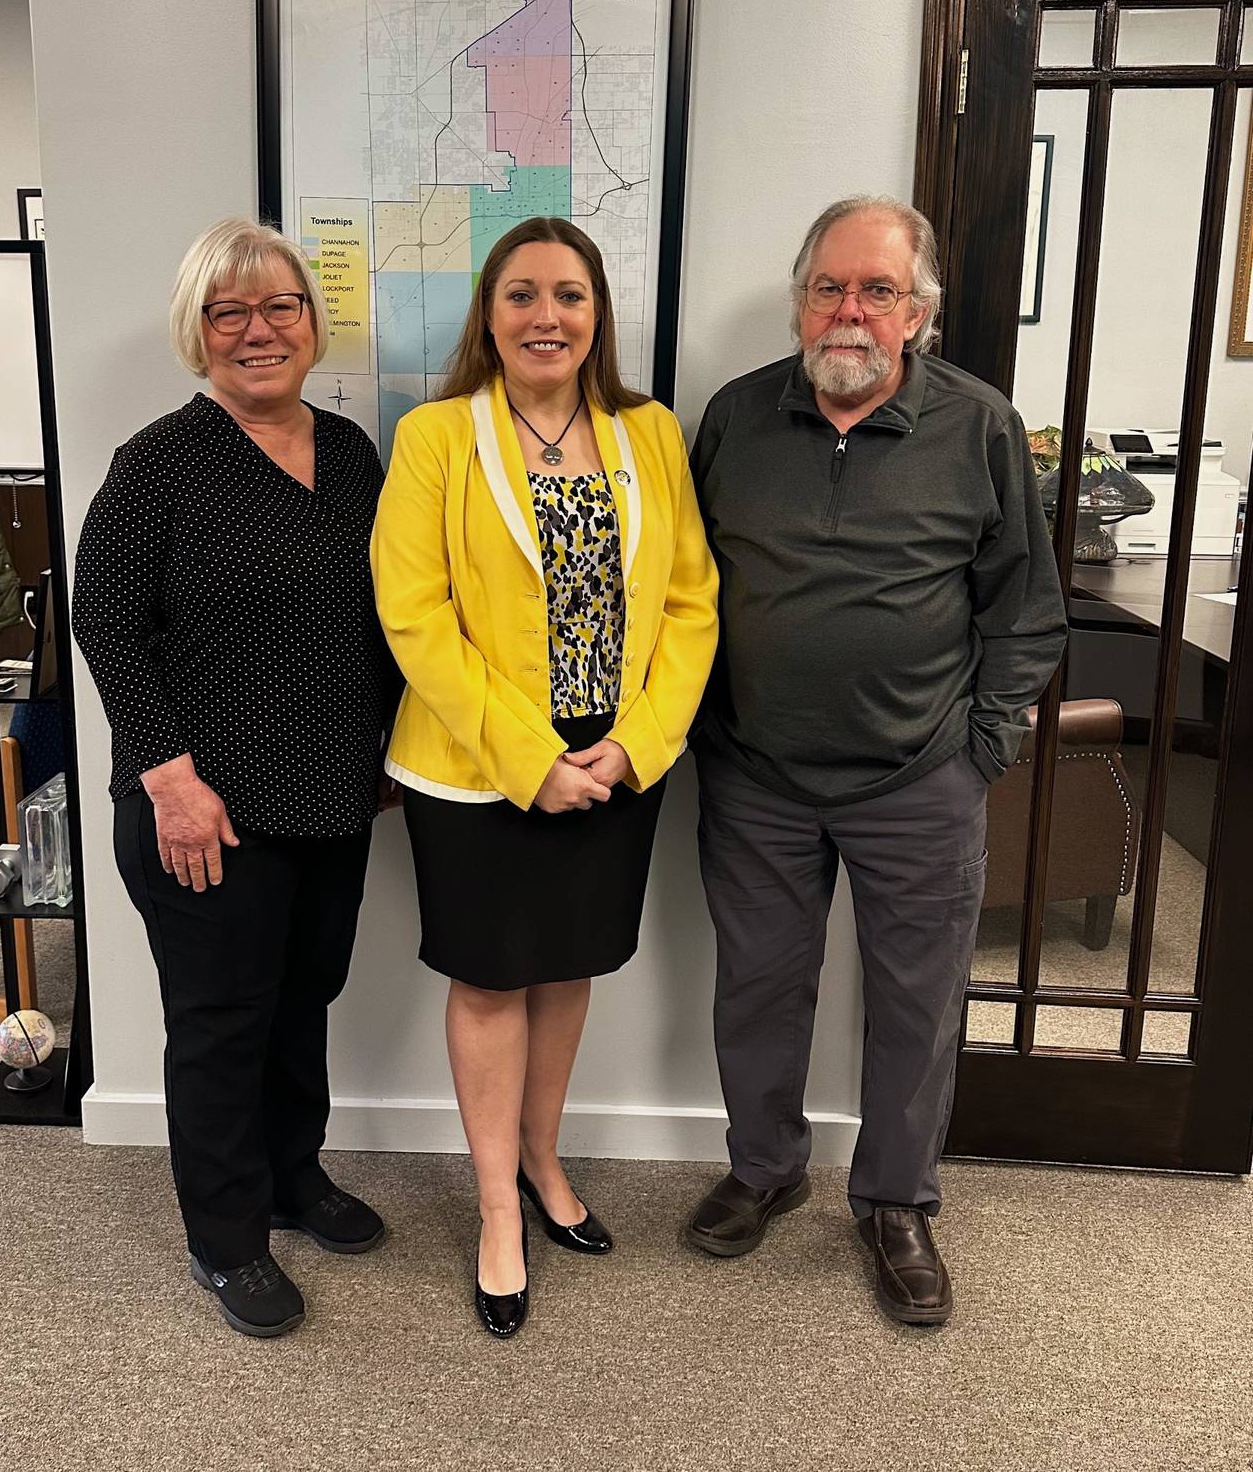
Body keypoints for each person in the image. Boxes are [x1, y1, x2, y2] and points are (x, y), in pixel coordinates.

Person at [685, 196, 1066, 1326]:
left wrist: (980, 745)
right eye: (829, 288)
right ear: (801, 300)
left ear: (920, 313)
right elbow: (684, 587)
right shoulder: (737, 417)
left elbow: (1026, 611)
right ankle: (764, 1167)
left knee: (916, 1002)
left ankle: (896, 1200)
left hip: (919, 778)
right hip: (757, 778)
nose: (849, 311)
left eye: (878, 291)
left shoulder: (981, 425)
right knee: (756, 988)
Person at [371, 216, 718, 1338]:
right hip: (477, 768)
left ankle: (543, 1160)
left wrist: (638, 745)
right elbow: (413, 616)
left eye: (568, 295)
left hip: (616, 763)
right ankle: (495, 1215)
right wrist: (531, 761)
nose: (546, 317)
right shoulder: (434, 437)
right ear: (489, 313)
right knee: (489, 979)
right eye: (521, 295)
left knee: (566, 969)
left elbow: (689, 603)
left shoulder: (649, 432)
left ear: (598, 312)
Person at [72, 217, 399, 1340]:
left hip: (329, 795)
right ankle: (227, 1238)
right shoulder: (158, 462)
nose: (259, 332)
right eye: (230, 312)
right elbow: (105, 622)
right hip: (201, 809)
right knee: (220, 1021)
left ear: (312, 323)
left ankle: (290, 1177)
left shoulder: (352, 453)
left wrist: (385, 753)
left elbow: (379, 619)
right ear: (197, 330)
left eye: (281, 309)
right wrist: (169, 777)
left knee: (302, 999)